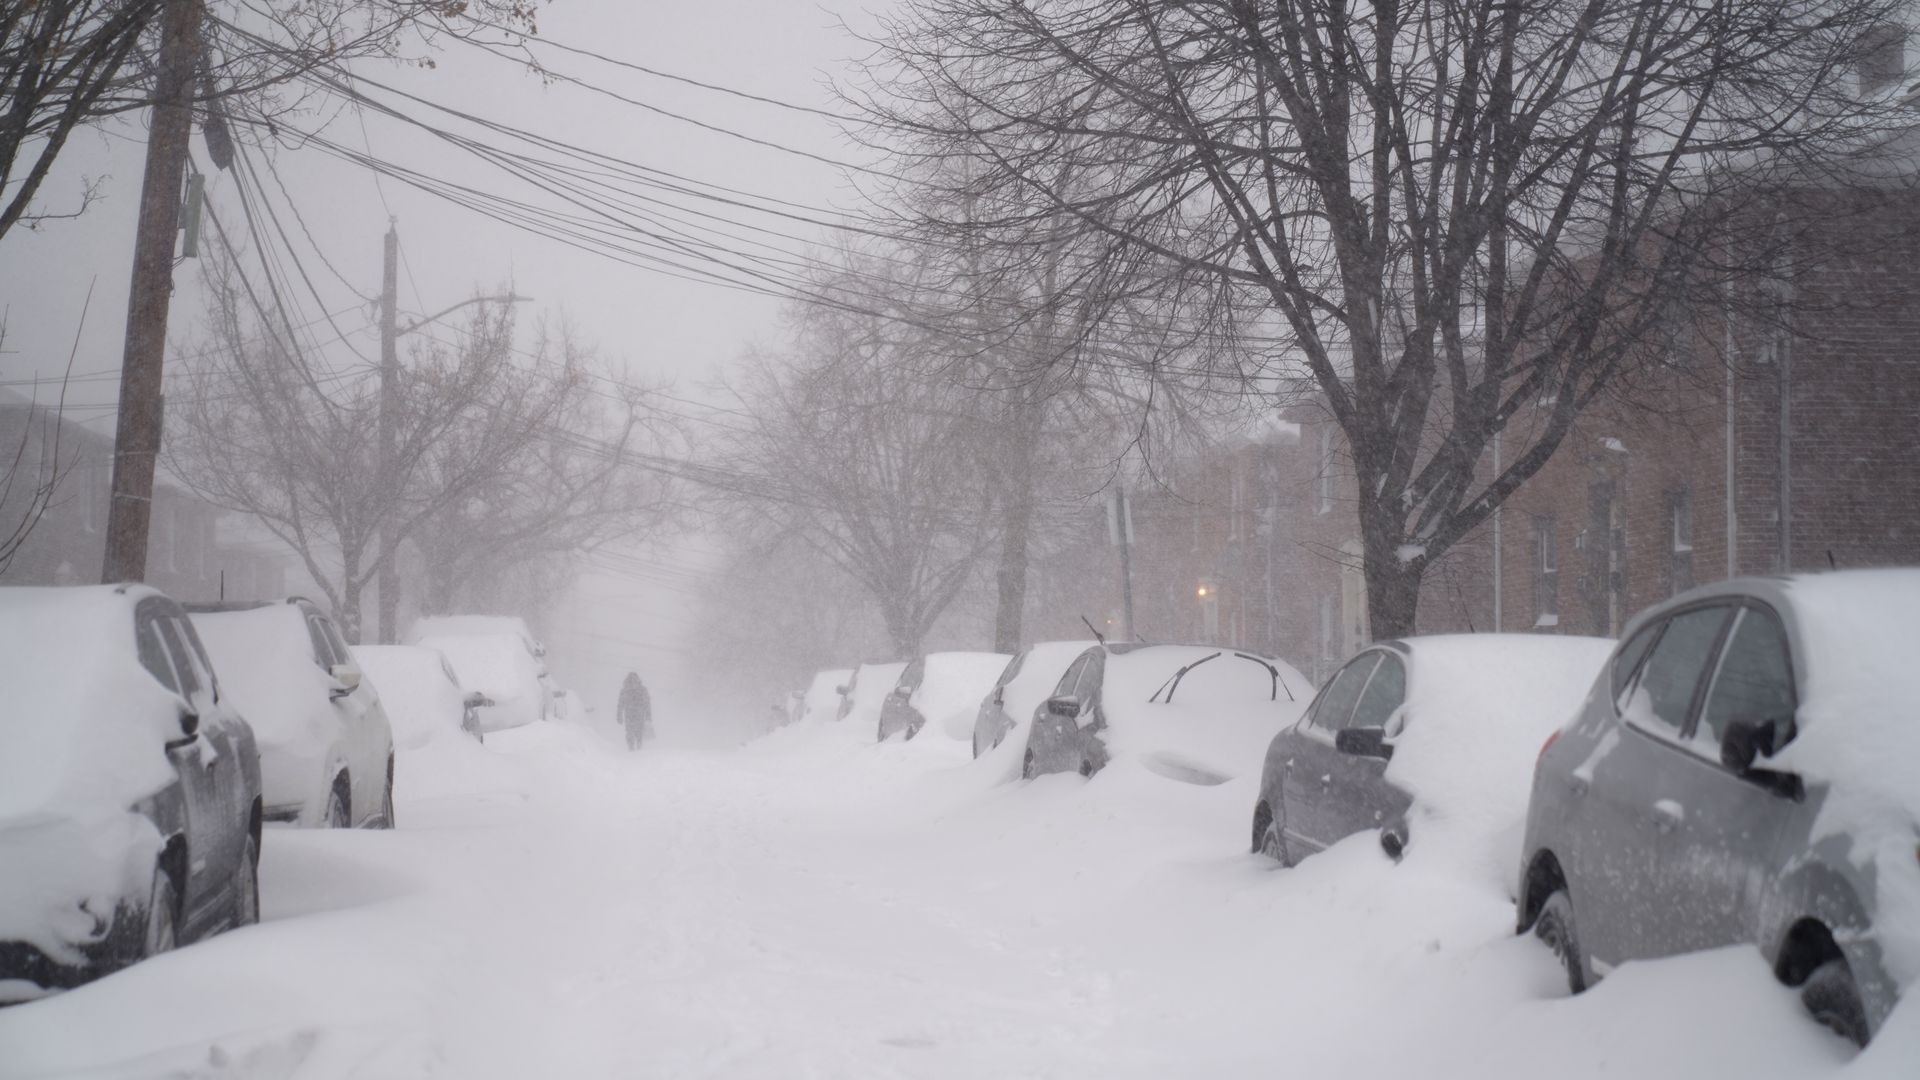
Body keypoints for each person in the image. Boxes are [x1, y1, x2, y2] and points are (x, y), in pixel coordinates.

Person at [617, 671, 653, 751]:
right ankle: (633, 749)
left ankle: (635, 748)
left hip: (634, 715)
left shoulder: (626, 690)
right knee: (633, 732)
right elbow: (647, 703)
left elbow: (647, 703)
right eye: (631, 681)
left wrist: (648, 716)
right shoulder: (641, 690)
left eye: (634, 681)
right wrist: (648, 716)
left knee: (636, 732)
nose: (633, 683)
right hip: (634, 715)